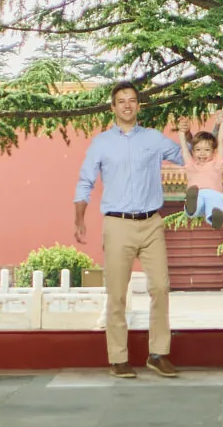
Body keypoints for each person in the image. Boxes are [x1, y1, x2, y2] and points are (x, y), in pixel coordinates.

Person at [73, 81, 183, 378]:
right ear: (113, 107)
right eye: (121, 101)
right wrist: (79, 218)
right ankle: (118, 358)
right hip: (117, 224)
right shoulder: (101, 143)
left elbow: (185, 156)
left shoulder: (153, 139)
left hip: (151, 223)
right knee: (117, 293)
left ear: (138, 105)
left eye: (132, 100)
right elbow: (85, 181)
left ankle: (158, 354)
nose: (127, 105)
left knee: (160, 287)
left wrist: (194, 136)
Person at [176, 117, 223, 231]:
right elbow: (184, 148)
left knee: (216, 204)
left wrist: (222, 123)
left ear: (214, 152)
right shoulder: (191, 164)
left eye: (207, 150)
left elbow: (221, 140)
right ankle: (192, 208)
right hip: (197, 194)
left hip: (213, 194)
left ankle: (215, 219)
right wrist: (181, 132)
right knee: (200, 202)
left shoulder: (216, 162)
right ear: (193, 152)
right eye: (198, 150)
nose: (202, 153)